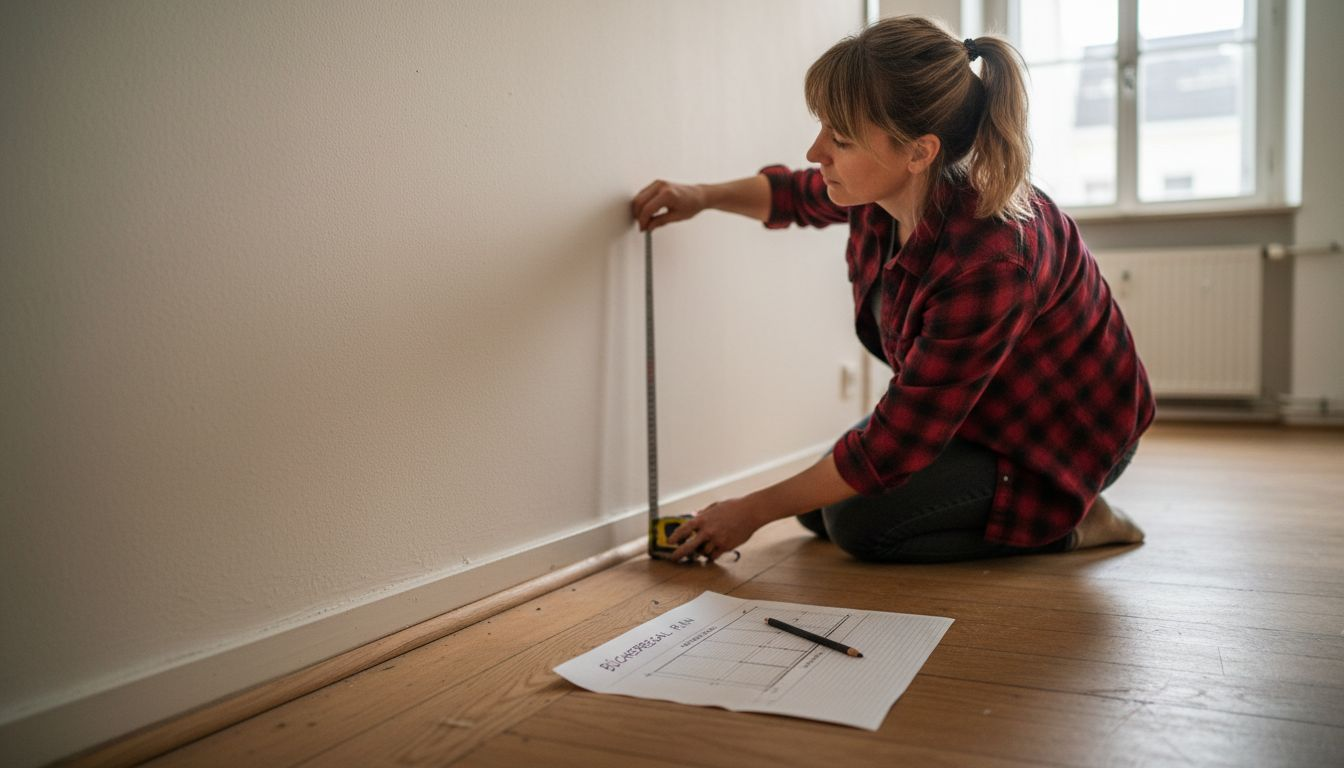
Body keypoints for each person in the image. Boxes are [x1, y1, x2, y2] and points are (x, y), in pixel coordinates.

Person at [631, 16, 1153, 565]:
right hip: (974, 412)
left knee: (858, 524)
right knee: (816, 508)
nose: (816, 151)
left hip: (1062, 438)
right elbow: (794, 194)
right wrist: (700, 196)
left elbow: (897, 443)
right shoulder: (886, 190)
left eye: (841, 138)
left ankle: (1074, 518)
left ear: (919, 151)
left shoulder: (992, 257)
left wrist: (750, 511)